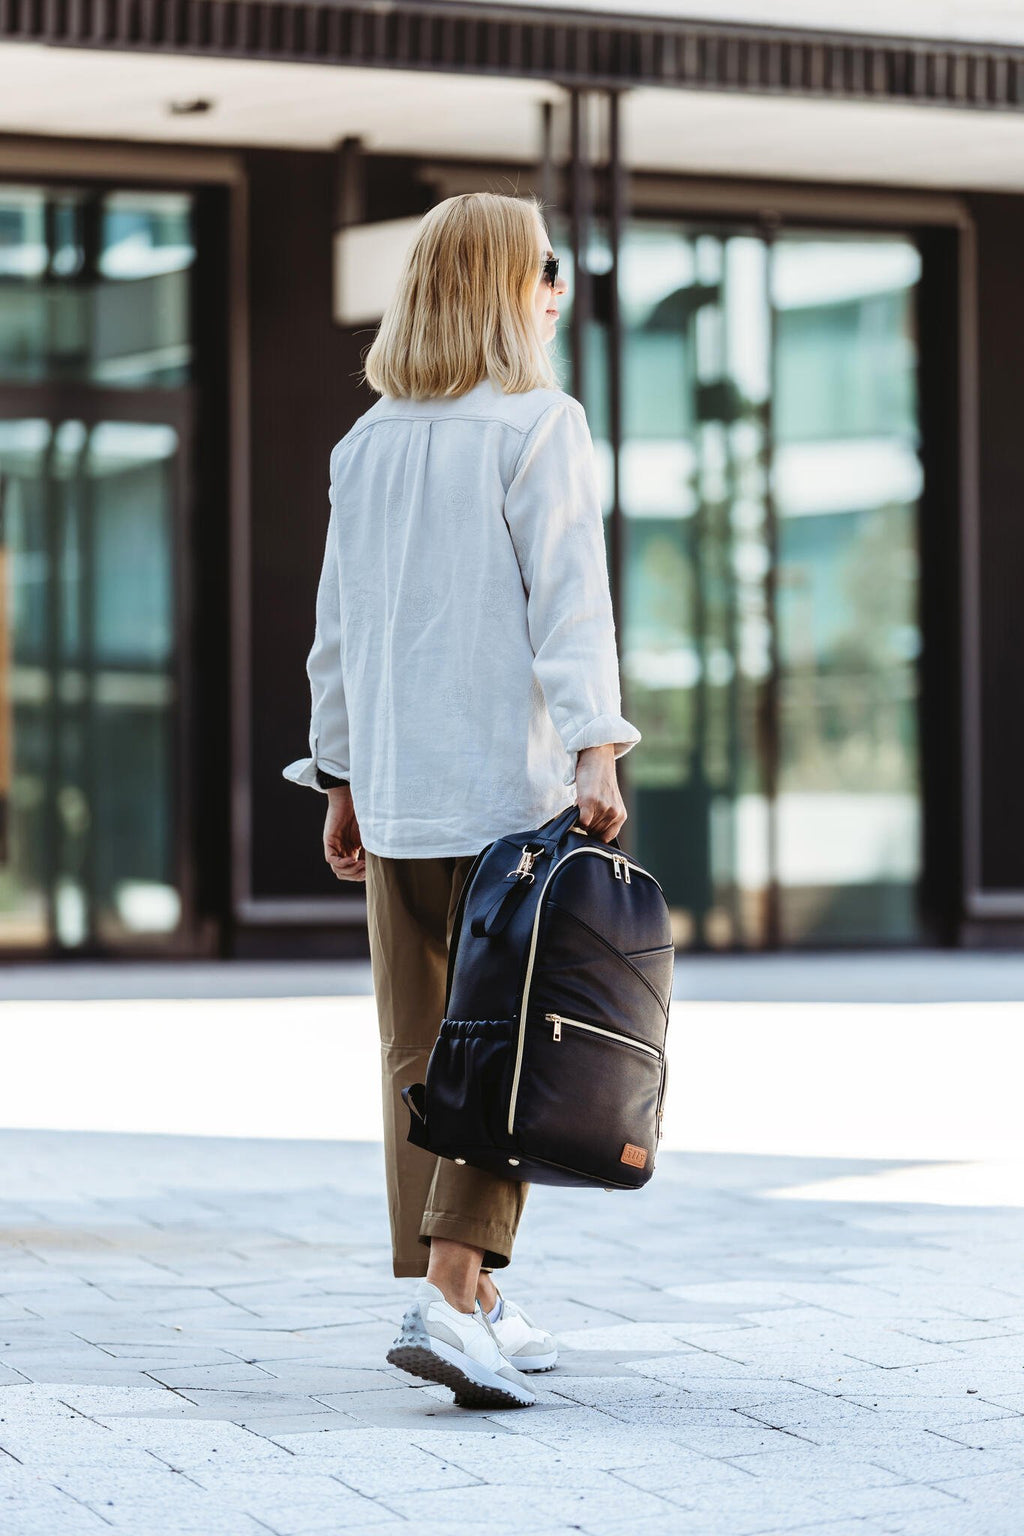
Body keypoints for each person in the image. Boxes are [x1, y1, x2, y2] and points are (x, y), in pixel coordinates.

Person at [283, 191, 641, 1410]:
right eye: (546, 263)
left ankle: (474, 1300)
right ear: (502, 283)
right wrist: (596, 746)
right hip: (504, 795)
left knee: (417, 1047)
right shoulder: (537, 424)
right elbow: (570, 600)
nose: (561, 281)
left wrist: (336, 774)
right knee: (509, 1046)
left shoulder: (365, 441)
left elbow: (332, 633)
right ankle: (445, 1293)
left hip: (394, 795)